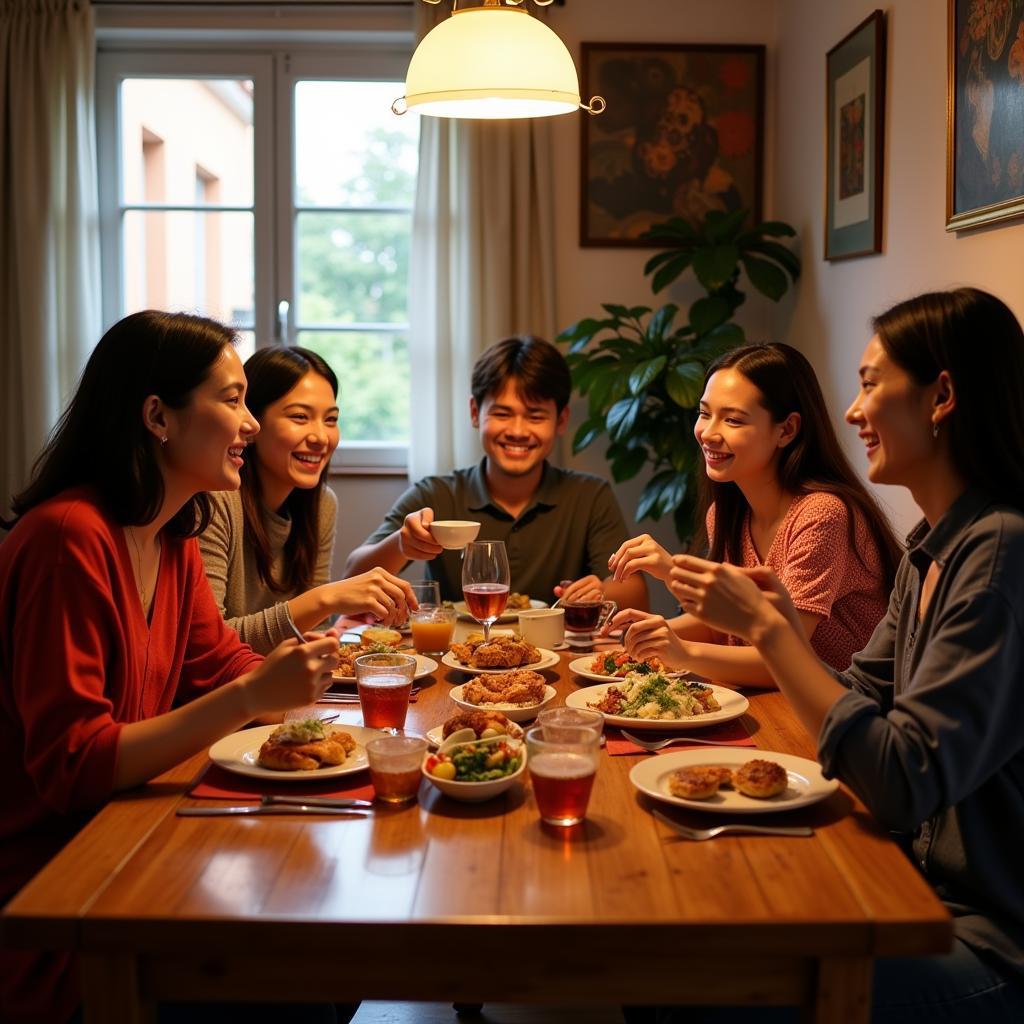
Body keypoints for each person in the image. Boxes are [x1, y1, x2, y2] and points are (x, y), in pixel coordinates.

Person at [663, 288, 1024, 1021]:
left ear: (942, 396)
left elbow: (901, 779)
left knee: (687, 983)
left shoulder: (998, 554)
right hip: (906, 880)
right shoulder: (933, 550)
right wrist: (786, 629)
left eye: (868, 386)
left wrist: (770, 633)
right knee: (672, 924)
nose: (854, 413)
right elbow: (856, 692)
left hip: (987, 937)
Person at [0, 311, 344, 1024]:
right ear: (157, 416)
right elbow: (74, 764)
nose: (249, 424)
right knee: (314, 980)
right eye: (232, 400)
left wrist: (308, 690)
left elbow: (221, 663)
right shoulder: (69, 538)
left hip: (136, 835)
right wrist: (256, 693)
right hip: (57, 887)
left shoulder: (173, 532)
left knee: (326, 933)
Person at [606, 343, 900, 684]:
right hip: (772, 703)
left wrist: (679, 637)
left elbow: (785, 657)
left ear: (786, 430)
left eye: (733, 420)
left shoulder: (822, 515)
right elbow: (728, 627)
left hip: (839, 713)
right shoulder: (726, 512)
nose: (709, 433)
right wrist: (644, 636)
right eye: (704, 414)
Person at [345, 335, 648, 610]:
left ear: (561, 420)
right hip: (457, 661)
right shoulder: (436, 495)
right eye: (502, 414)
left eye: (535, 416)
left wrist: (599, 592)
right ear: (475, 413)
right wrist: (401, 543)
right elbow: (352, 579)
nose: (517, 431)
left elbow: (635, 593)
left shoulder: (589, 495)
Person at [198, 346, 415, 654]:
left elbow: (313, 631)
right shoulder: (214, 501)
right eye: (300, 417)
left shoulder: (321, 504)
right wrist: (326, 599)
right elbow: (209, 644)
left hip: (280, 688)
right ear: (252, 422)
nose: (320, 437)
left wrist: (332, 626)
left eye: (330, 419)